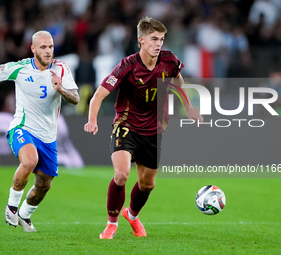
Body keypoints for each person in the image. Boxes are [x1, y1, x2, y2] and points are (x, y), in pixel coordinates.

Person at [84, 17, 203, 239]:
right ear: (141, 40)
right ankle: (112, 223)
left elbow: (178, 80)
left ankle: (133, 215)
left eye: (162, 39)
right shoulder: (127, 66)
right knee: (121, 175)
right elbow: (98, 95)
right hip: (127, 125)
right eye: (154, 39)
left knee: (147, 185)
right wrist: (92, 120)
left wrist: (188, 107)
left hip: (155, 129)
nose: (159, 44)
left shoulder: (169, 61)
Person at [0, 31, 79, 232]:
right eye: (43, 47)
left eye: (50, 46)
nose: (48, 51)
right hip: (22, 128)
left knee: (44, 185)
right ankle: (11, 206)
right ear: (33, 49)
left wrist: (61, 90)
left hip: (48, 136)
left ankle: (24, 214)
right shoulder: (20, 68)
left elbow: (75, 98)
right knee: (29, 161)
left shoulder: (61, 68)